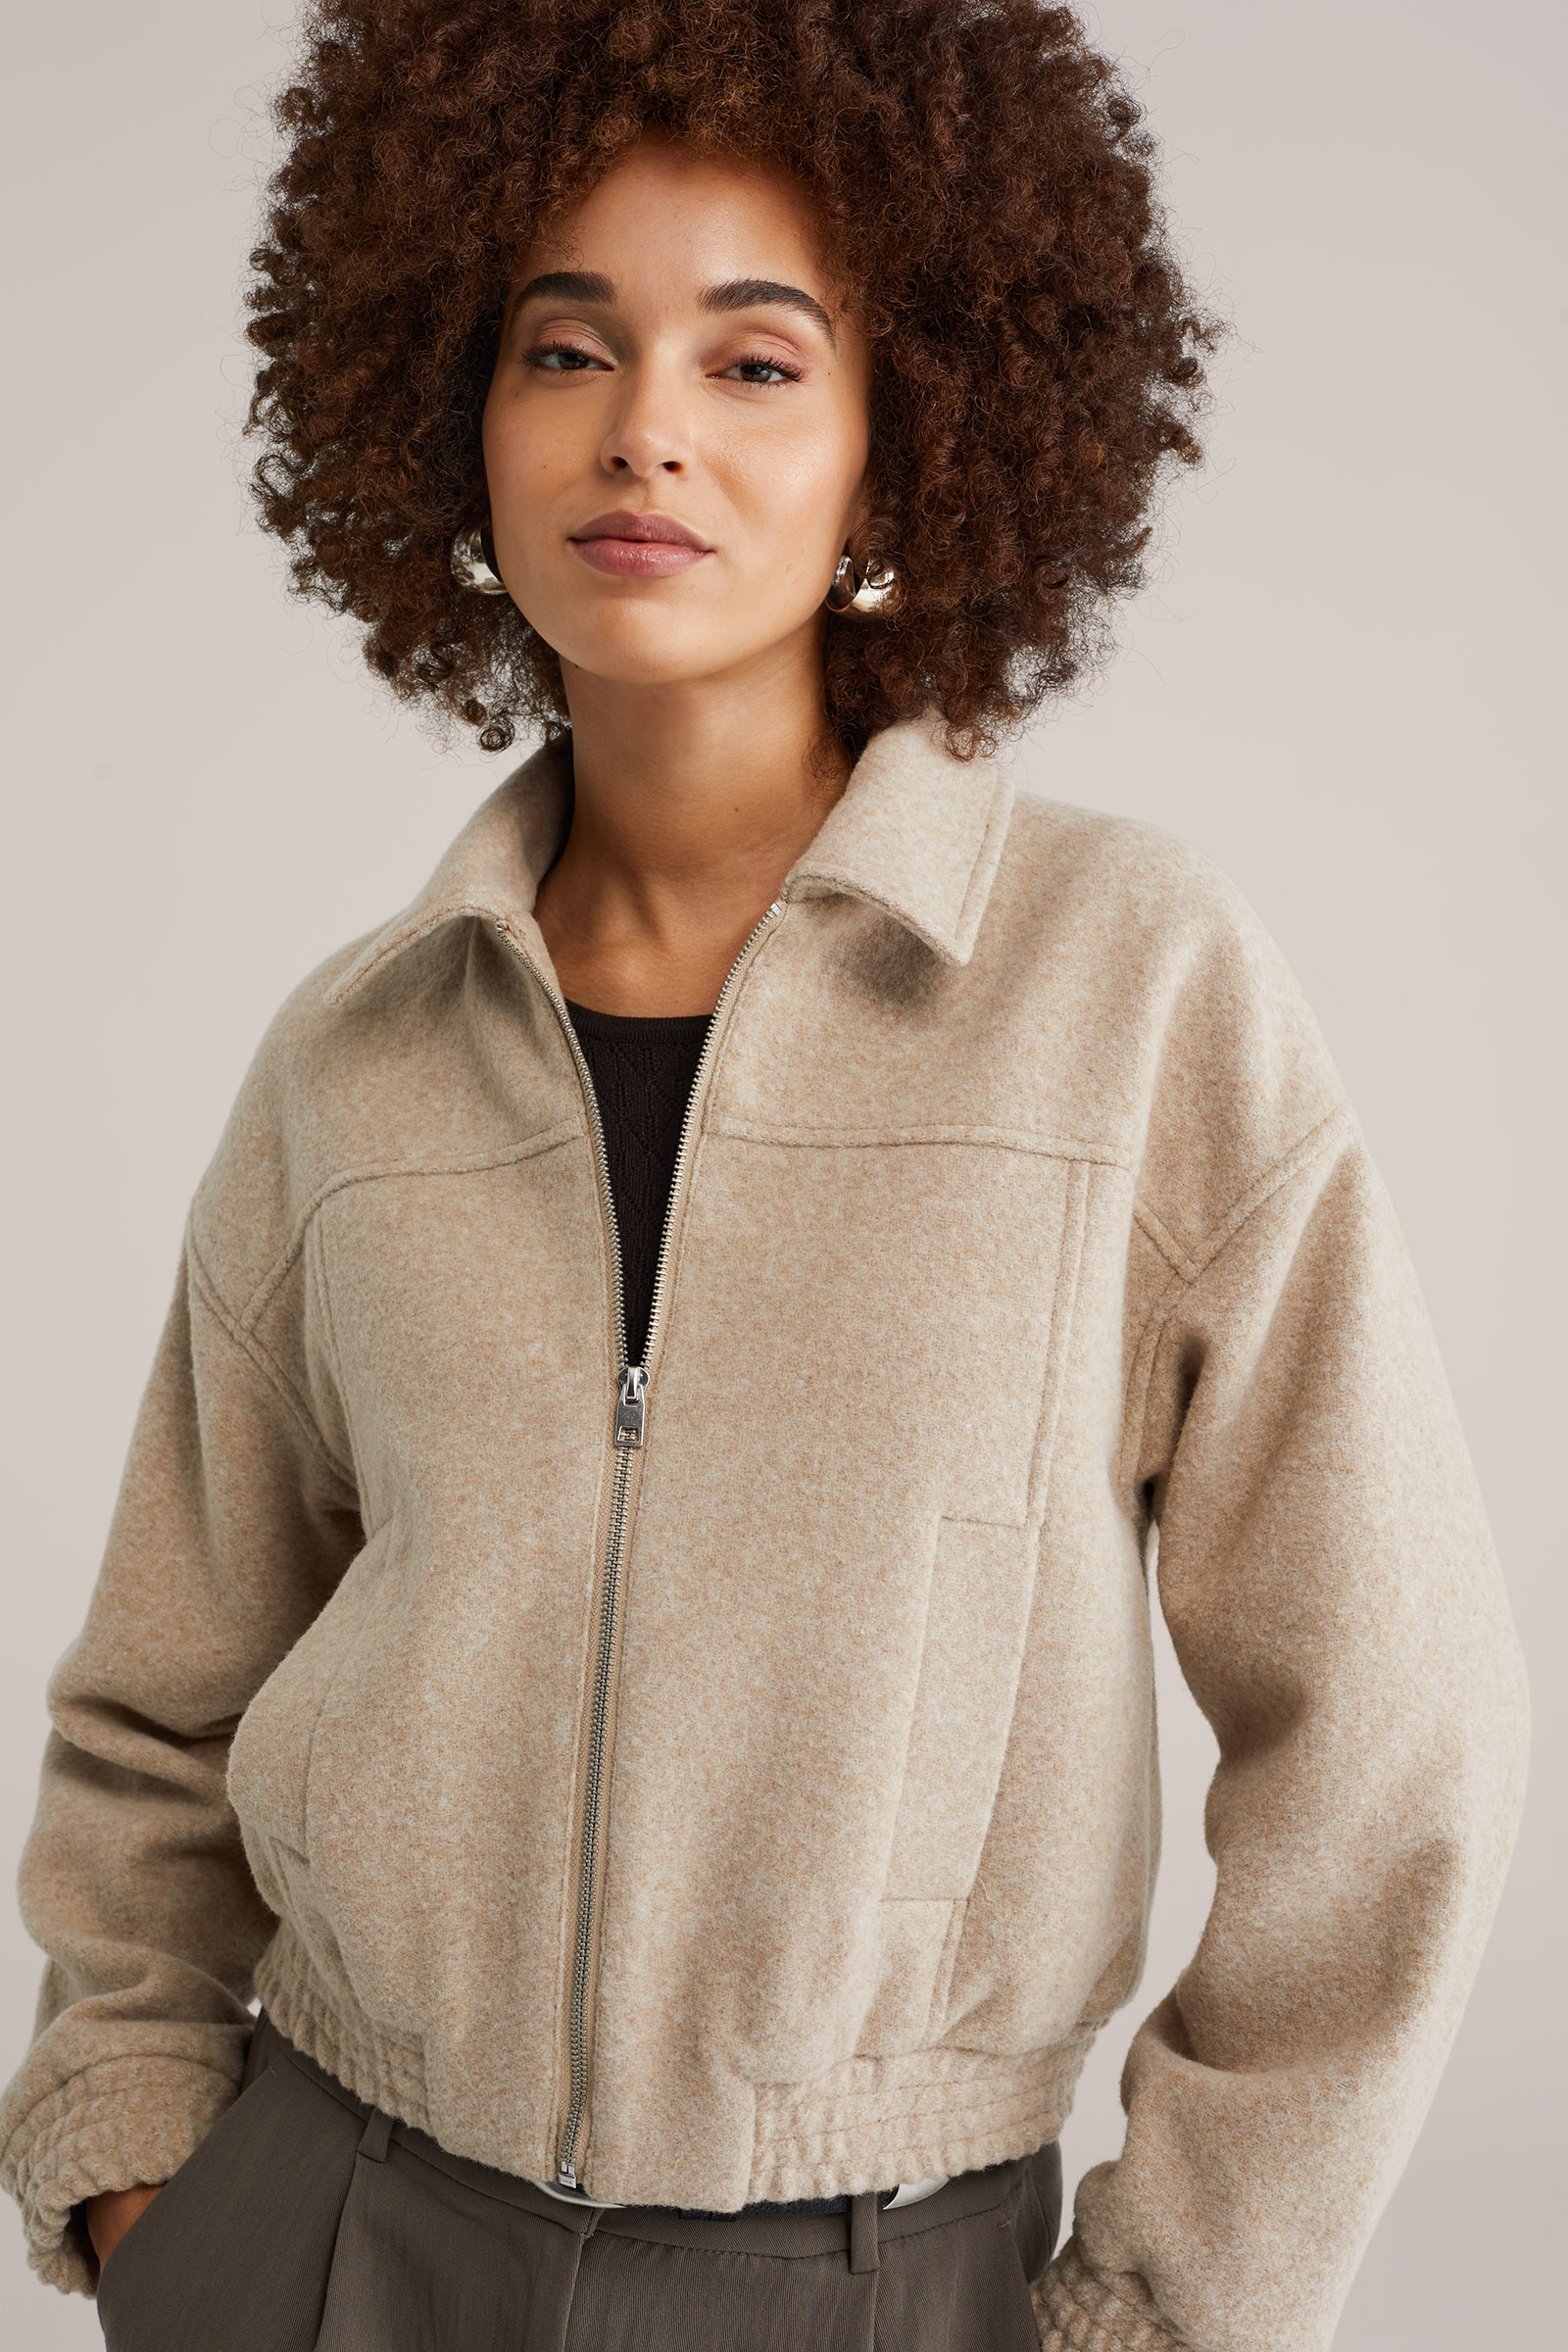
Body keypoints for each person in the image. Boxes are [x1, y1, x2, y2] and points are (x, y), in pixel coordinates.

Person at [0, 3, 1529, 2348]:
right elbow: (154, 1712)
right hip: (330, 2236)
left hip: (869, 2283)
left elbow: (1391, 1730)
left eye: (751, 361)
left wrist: (1164, 2312)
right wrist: (144, 2194)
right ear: (455, 419)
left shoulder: (1129, 989)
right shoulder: (353, 1055)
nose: (643, 430)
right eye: (564, 348)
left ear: (899, 449)